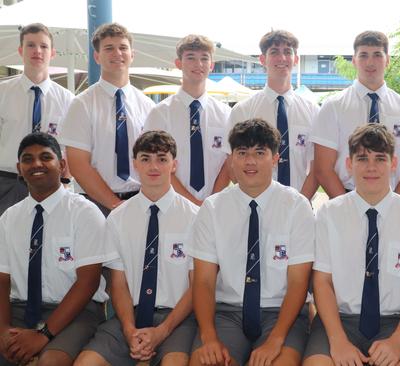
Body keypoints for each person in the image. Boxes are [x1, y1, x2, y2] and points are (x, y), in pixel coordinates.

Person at [188, 119, 314, 366]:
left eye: (260, 153)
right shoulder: (212, 208)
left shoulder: (297, 207)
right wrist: (209, 336)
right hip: (227, 313)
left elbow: (299, 281)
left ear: (276, 158)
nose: (250, 162)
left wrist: (276, 339)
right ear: (231, 159)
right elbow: (202, 281)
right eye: (242, 153)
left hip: (281, 313)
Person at [304, 124, 400, 366]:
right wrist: (337, 340)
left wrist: (399, 341)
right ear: (349, 165)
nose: (371, 167)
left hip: (396, 322)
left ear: (394, 164)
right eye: (362, 158)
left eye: (380, 159)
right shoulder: (329, 214)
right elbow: (322, 282)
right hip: (340, 320)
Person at [76, 130, 198, 365]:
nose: (154, 166)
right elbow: (117, 283)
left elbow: (197, 286)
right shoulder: (118, 218)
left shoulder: (195, 217)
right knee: (86, 363)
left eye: (162, 159)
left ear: (174, 165)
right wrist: (129, 329)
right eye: (145, 159)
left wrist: (162, 331)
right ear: (134, 164)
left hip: (176, 318)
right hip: (129, 316)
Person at [0, 132, 107, 366]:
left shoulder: (84, 213)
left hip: (76, 312)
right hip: (21, 308)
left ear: (62, 165)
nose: (36, 164)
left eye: (45, 157)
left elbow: (88, 282)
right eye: (28, 159)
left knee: (51, 361)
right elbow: (2, 280)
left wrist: (44, 335)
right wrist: (4, 330)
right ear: (19, 169)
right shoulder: (9, 217)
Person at [312, 30, 400, 200]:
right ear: (354, 60)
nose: (370, 62)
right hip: (346, 200)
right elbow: (323, 168)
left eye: (377, 55)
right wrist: (348, 208)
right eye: (363, 55)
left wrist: (392, 209)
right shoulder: (333, 107)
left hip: (393, 202)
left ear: (387, 60)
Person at [59, 22, 155, 216]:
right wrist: (115, 205)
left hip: (141, 202)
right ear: (97, 56)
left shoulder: (148, 106)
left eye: (123, 48)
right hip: (94, 204)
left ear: (132, 55)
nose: (117, 53)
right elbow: (78, 165)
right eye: (109, 48)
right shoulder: (82, 104)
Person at [228, 30, 319, 199]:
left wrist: (300, 204)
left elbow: (317, 168)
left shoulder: (313, 111)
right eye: (274, 52)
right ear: (263, 59)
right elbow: (233, 166)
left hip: (301, 206)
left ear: (296, 59)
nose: (282, 58)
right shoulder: (243, 110)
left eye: (287, 52)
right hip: (255, 205)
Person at [144, 34, 232, 206]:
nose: (198, 64)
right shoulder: (160, 114)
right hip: (170, 204)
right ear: (178, 63)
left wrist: (210, 203)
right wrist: (191, 203)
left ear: (211, 65)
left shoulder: (226, 114)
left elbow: (228, 163)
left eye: (204, 58)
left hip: (214, 205)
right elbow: (155, 164)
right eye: (191, 58)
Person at [0, 23, 74, 215]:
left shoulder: (68, 100)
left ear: (53, 53)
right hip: (8, 184)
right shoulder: (2, 93)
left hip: (51, 184)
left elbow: (70, 148)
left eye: (43, 46)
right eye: (31, 45)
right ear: (20, 50)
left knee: (50, 240)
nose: (37, 51)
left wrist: (65, 183)